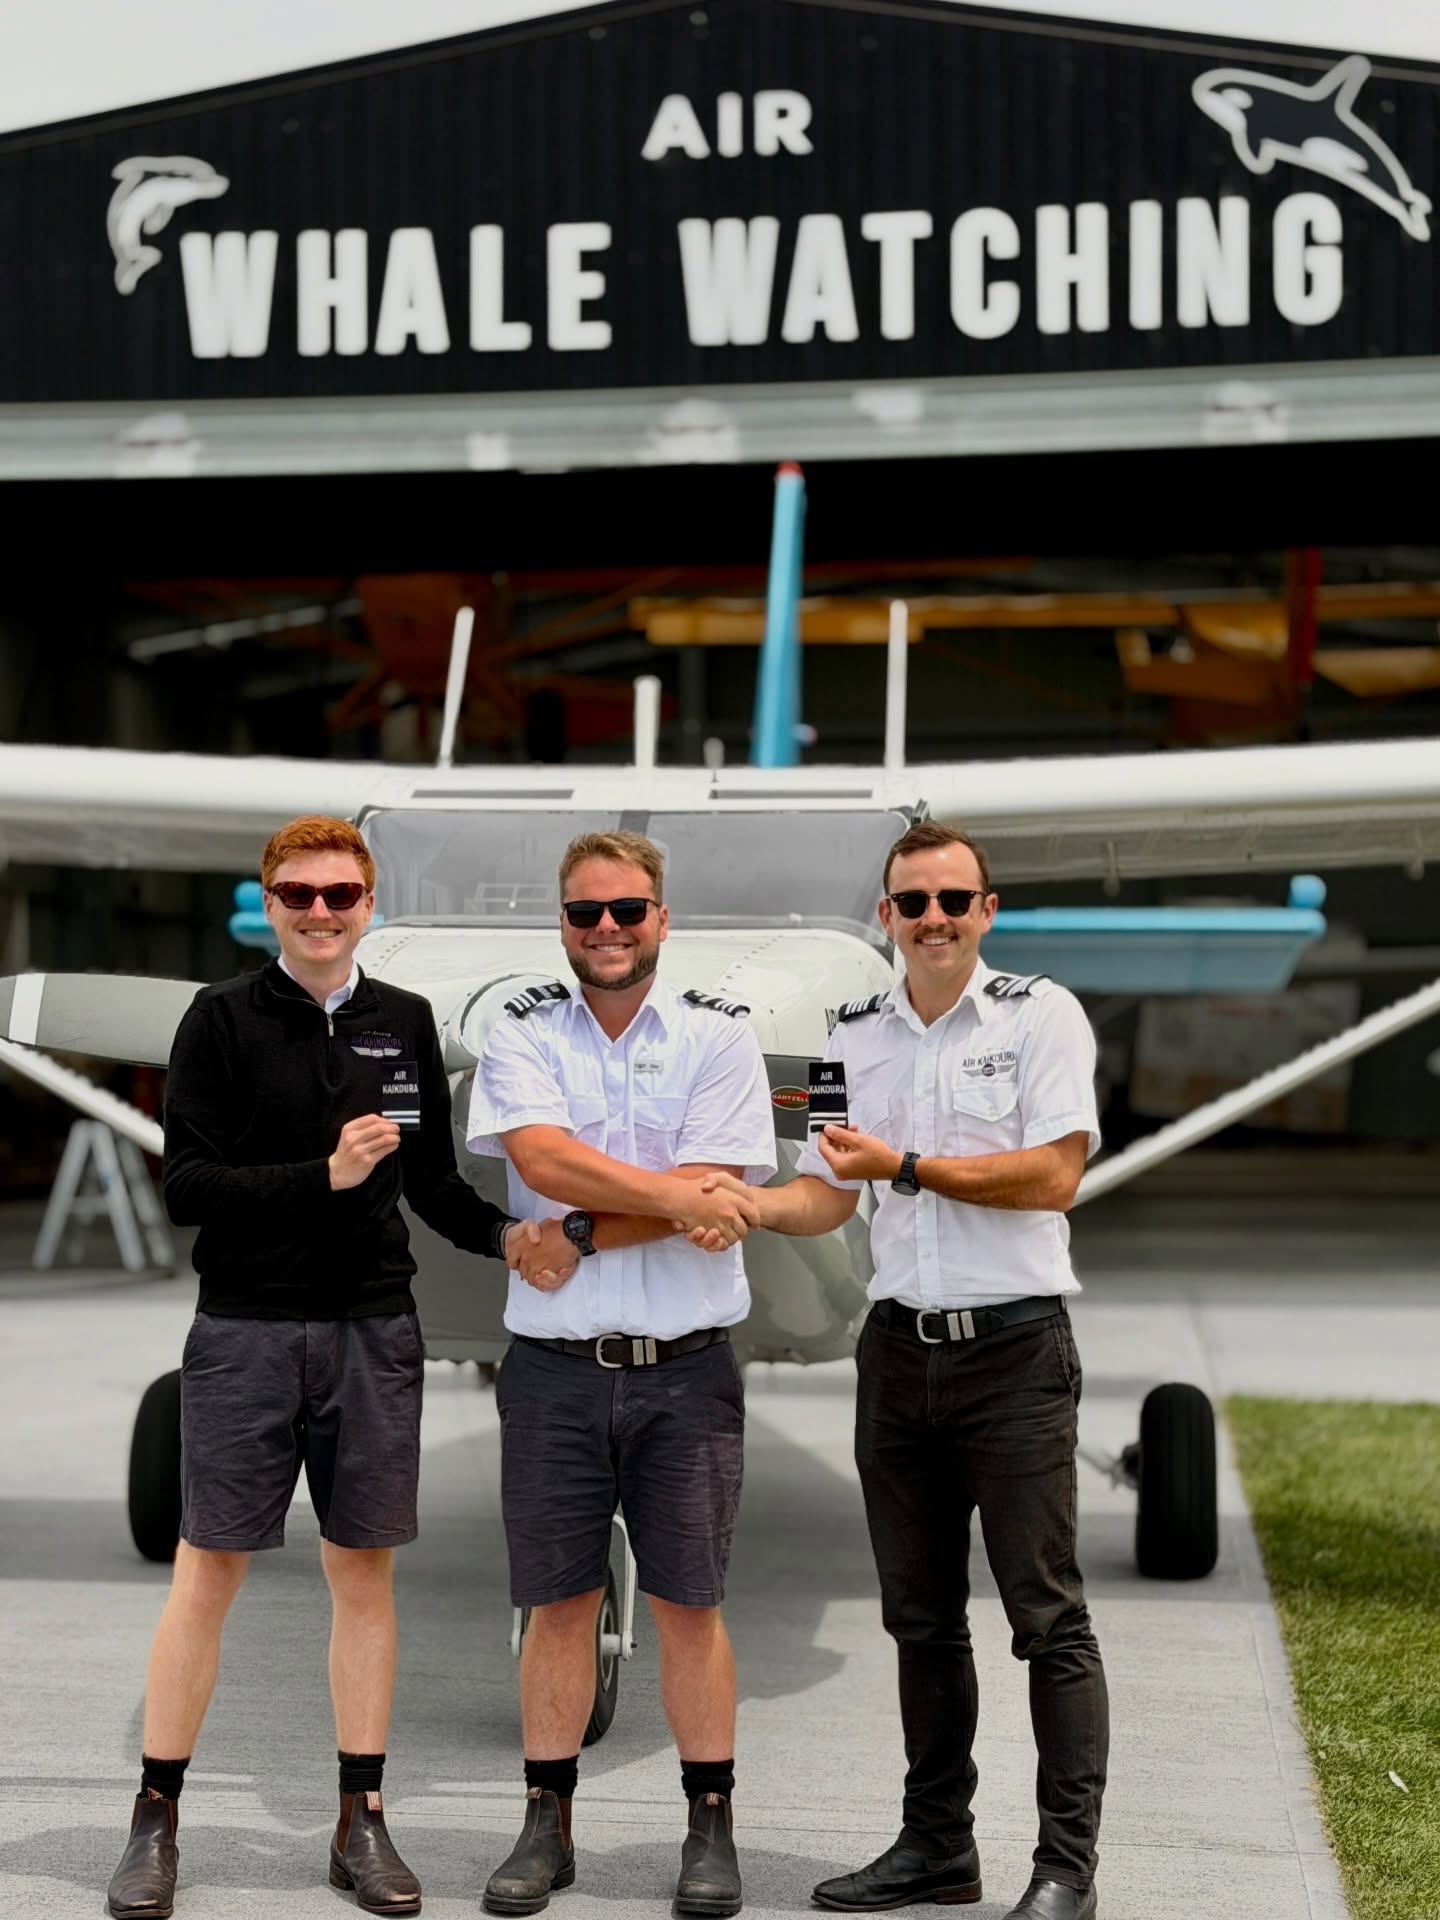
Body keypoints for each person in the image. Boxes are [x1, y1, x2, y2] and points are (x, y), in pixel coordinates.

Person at [106, 814, 540, 1920]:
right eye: (297, 894)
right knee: (207, 1575)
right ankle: (154, 1822)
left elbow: (435, 1183)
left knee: (363, 1579)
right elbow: (187, 1187)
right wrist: (326, 1177)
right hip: (246, 1329)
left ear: (369, 903)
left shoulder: (406, 1021)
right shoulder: (215, 1020)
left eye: (339, 894)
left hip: (371, 1330)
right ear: (269, 901)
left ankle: (363, 1825)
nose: (319, 911)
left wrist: (510, 1241)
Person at [700, 821, 1107, 1920]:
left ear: (987, 910)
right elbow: (832, 1192)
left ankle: (1066, 1867)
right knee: (918, 1618)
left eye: (953, 900)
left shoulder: (1039, 1017)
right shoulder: (854, 1037)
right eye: (911, 901)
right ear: (885, 915)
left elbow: (1054, 1175)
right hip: (900, 1356)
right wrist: (737, 1204)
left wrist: (908, 1167)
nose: (933, 918)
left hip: (1014, 1352)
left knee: (1046, 1619)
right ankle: (938, 1848)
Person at [466, 829, 777, 1920]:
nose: (608, 930)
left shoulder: (720, 1036)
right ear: (561, 922)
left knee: (692, 1605)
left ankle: (710, 1827)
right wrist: (674, 1198)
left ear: (661, 919)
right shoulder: (519, 1029)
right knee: (557, 1604)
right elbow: (540, 1160)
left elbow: (724, 1181)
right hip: (552, 1372)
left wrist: (586, 1232)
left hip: (685, 1374)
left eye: (628, 911)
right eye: (587, 913)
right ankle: (546, 1827)